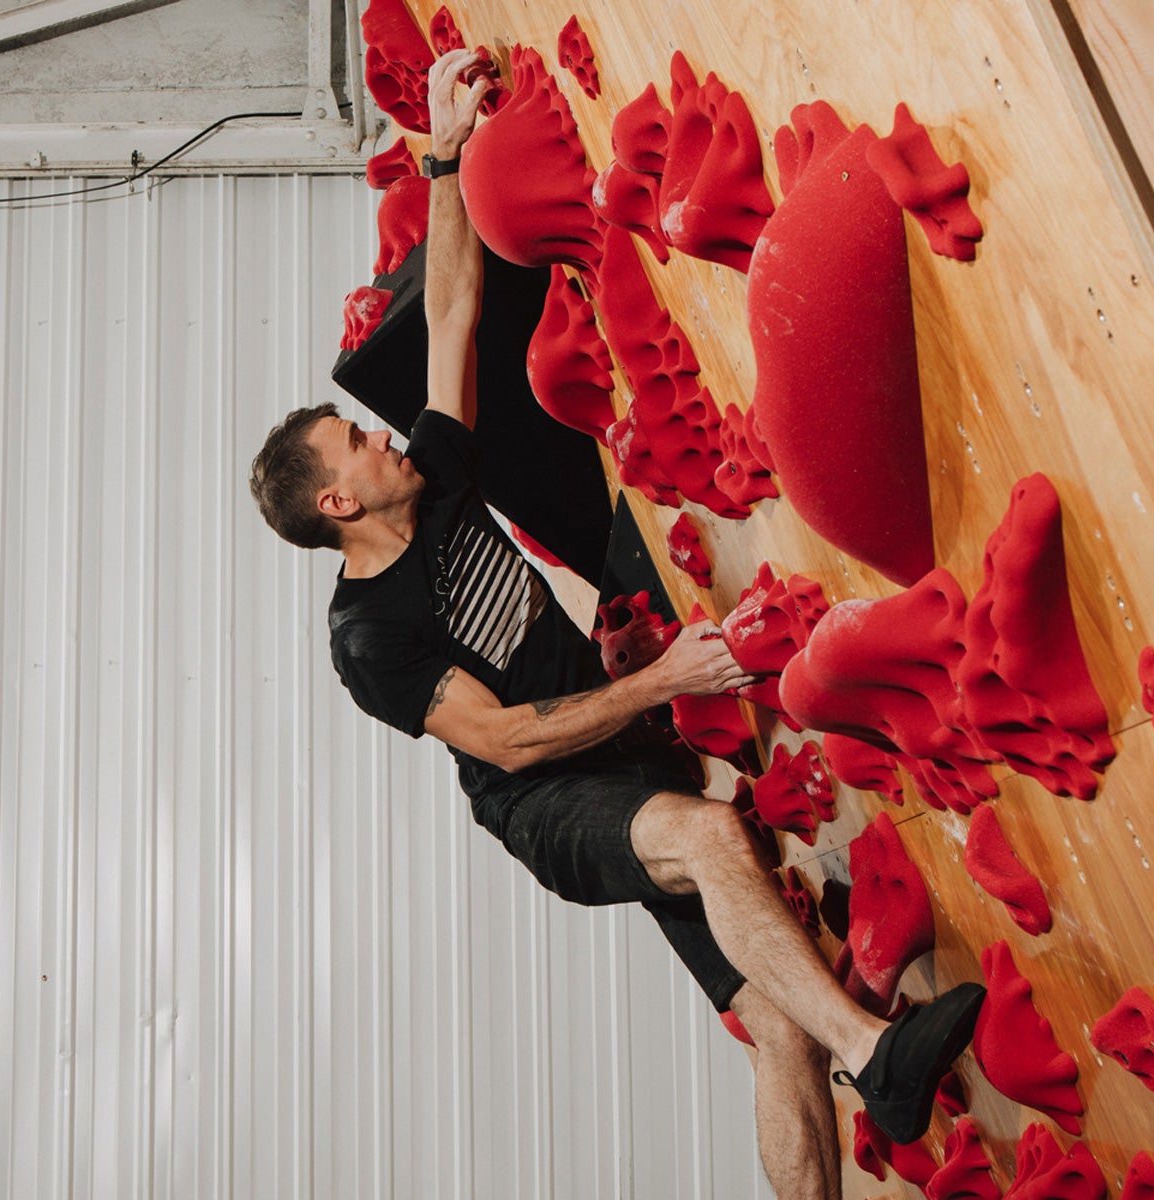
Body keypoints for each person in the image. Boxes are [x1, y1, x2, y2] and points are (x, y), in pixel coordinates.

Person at [249, 48, 983, 1200]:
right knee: (706, 838)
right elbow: (503, 744)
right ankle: (875, 1055)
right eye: (362, 446)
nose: (387, 437)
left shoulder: (433, 478)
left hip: (618, 751)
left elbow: (450, 303)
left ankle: (829, 1069)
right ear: (337, 506)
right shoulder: (368, 639)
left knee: (771, 1025)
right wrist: (660, 681)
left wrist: (442, 155)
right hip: (545, 803)